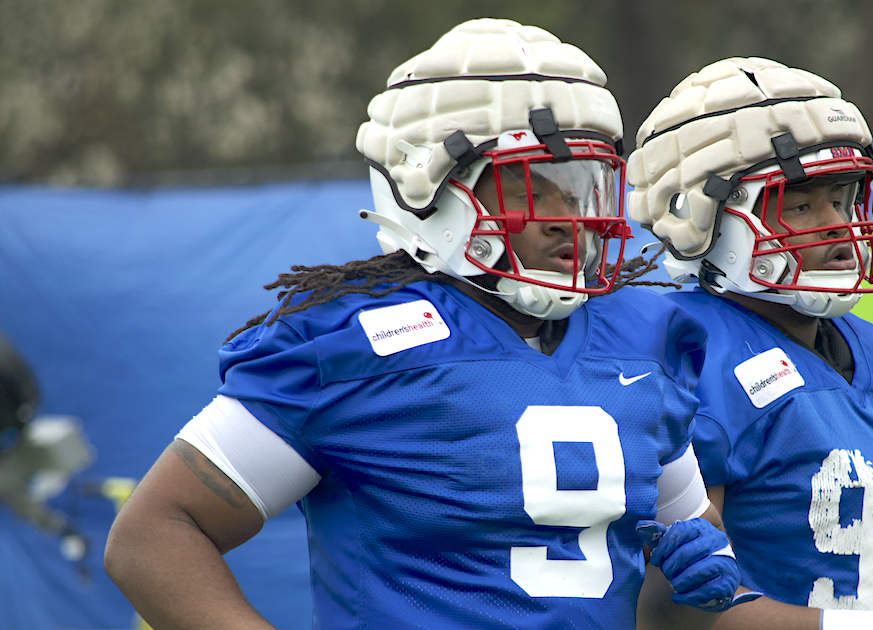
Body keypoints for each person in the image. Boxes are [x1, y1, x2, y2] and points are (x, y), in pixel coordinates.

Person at [104, 19, 749, 630]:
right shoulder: (351, 346)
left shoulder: (641, 333)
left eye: (578, 187)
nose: (565, 216)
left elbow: (679, 553)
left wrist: (698, 572)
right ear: (427, 188)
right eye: (531, 189)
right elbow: (155, 534)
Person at [627, 58, 873, 630]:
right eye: (800, 205)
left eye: (842, 198)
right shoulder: (693, 351)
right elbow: (678, 611)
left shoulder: (872, 350)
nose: (838, 225)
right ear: (707, 219)